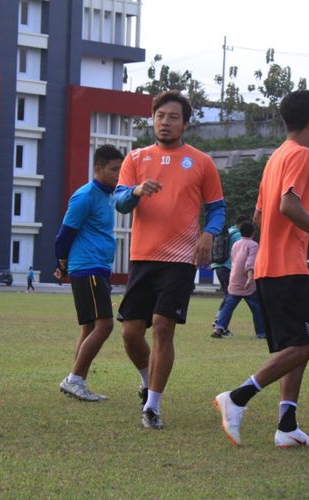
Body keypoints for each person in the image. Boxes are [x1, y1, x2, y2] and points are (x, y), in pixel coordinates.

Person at [214, 90, 309, 448]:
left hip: (270, 267)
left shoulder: (275, 157)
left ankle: (287, 426)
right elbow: (288, 205)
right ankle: (238, 397)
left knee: (299, 342)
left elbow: (262, 216)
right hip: (285, 269)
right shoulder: (300, 155)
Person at [114, 90, 225, 430]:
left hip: (180, 259)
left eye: (173, 117)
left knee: (163, 327)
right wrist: (135, 192)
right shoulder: (135, 158)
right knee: (131, 334)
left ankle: (153, 406)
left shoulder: (202, 162)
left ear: (185, 124)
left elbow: (217, 207)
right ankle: (148, 380)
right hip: (143, 257)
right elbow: (119, 202)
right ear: (153, 119)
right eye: (160, 116)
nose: (165, 123)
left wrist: (208, 234)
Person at [56, 144, 125, 402]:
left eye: (121, 169)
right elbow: (65, 233)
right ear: (98, 169)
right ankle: (74, 379)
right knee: (104, 324)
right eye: (113, 170)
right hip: (88, 267)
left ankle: (77, 380)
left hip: (97, 267)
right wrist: (61, 262)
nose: (118, 174)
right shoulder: (85, 196)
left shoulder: (108, 195)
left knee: (88, 327)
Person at [211, 221, 266, 339]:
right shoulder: (253, 245)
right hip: (247, 280)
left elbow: (234, 260)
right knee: (257, 307)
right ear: (253, 233)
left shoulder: (236, 244)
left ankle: (219, 327)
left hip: (234, 278)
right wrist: (250, 277)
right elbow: (250, 262)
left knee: (228, 306)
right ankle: (261, 332)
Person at [210, 215, 247, 337]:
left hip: (217, 265)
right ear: (242, 224)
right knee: (230, 297)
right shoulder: (238, 236)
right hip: (227, 267)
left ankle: (219, 322)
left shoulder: (228, 232)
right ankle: (219, 323)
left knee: (228, 296)